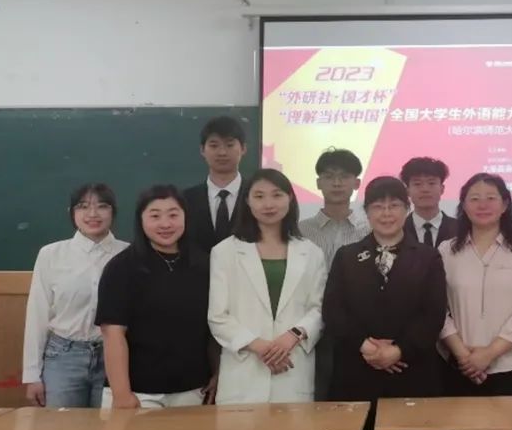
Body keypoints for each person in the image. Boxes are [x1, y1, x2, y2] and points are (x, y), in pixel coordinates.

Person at [323, 176, 447, 430]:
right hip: (356, 372)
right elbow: (334, 311)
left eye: (394, 206)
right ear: (366, 212)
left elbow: (433, 313)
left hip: (411, 372)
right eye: (378, 206)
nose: (386, 213)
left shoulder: (428, 256)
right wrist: (367, 347)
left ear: (407, 209)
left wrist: (397, 351)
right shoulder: (346, 256)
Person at [209, 169, 326, 404]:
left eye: (277, 195)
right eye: (259, 196)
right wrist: (261, 347)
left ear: (290, 198)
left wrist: (293, 335)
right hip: (244, 371)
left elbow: (320, 308)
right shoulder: (225, 251)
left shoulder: (311, 252)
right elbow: (218, 316)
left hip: (293, 366)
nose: (269, 204)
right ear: (247, 201)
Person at [96, 185, 217, 409]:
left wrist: (217, 373)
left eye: (173, 215)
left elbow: (214, 327)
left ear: (185, 217)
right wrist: (122, 394)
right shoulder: (121, 267)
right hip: (138, 394)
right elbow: (113, 334)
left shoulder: (205, 264)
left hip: (192, 390)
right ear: (141, 220)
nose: (165, 224)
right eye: (155, 216)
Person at [23, 183, 128, 408]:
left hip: (115, 358)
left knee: (112, 427)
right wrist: (32, 374)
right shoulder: (51, 254)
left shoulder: (129, 254)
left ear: (113, 212)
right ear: (71, 212)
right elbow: (37, 315)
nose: (93, 214)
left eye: (102, 206)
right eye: (83, 207)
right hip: (63, 358)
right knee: (62, 428)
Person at [438, 173, 512, 397]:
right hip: (460, 366)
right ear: (463, 205)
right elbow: (437, 309)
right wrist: (464, 356)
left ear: (504, 205)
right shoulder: (447, 251)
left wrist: (489, 354)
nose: (482, 205)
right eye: (474, 198)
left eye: (491, 198)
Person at [298, 148, 369, 400]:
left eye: (344, 176)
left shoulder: (369, 231)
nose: (337, 183)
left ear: (356, 183)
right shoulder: (299, 231)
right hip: (309, 325)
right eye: (329, 176)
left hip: (357, 326)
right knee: (315, 396)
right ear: (318, 183)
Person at [183, 116, 247, 256]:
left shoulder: (256, 195)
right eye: (214, 145)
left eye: (229, 145)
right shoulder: (185, 200)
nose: (222, 152)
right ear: (202, 150)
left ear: (243, 148)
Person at [400, 157, 456, 247]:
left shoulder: (460, 229)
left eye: (431, 183)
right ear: (408, 191)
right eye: (417, 184)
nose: (425, 189)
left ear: (442, 189)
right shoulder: (399, 229)